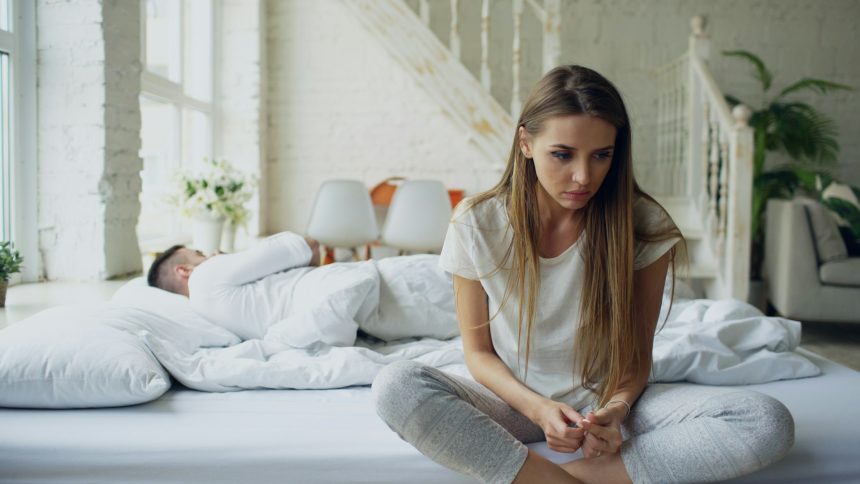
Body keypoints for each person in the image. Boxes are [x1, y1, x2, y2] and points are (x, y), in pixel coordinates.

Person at [371, 65, 794, 484]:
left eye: (601, 156)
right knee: (397, 384)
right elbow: (478, 354)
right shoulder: (477, 223)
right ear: (526, 143)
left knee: (764, 421)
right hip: (512, 403)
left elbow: (635, 355)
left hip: (602, 408)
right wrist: (538, 408)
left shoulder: (642, 224)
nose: (583, 177)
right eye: (562, 154)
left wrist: (616, 410)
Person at [147, 232, 456, 343]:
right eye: (199, 254)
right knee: (455, 279)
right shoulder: (204, 277)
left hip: (365, 318)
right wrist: (225, 259)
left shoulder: (206, 313)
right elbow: (305, 246)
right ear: (183, 270)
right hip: (367, 286)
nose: (210, 255)